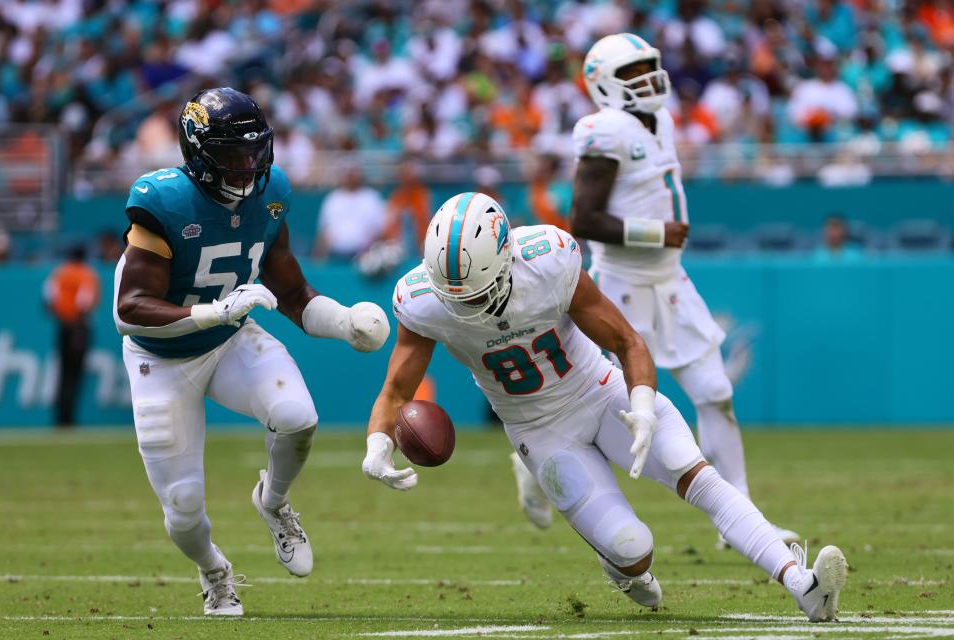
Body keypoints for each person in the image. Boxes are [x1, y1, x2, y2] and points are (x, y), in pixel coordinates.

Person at [361, 193, 847, 622]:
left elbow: (628, 341)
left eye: (479, 291)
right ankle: (621, 568)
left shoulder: (548, 260)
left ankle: (800, 583)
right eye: (455, 295)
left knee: (690, 467)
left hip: (598, 389)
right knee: (632, 550)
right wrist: (378, 445)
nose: (467, 306)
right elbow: (397, 392)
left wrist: (641, 404)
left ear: (507, 259)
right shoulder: (421, 300)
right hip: (538, 429)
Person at [113, 88, 390, 617]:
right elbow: (129, 310)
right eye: (231, 154)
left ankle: (275, 502)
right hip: (160, 357)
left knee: (297, 417)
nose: (247, 166)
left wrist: (345, 324)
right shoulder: (161, 201)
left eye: (254, 152)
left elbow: (293, 294)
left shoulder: (272, 193)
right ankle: (214, 572)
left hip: (229, 340)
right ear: (197, 154)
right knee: (184, 506)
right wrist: (212, 312)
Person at [533, 32, 797, 549]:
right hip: (622, 282)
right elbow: (582, 218)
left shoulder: (664, 118)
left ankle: (740, 515)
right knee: (580, 397)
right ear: (604, 85)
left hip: (671, 278)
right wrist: (654, 233)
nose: (648, 78)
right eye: (632, 72)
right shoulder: (604, 130)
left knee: (716, 392)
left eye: (649, 66)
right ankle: (536, 469)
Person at [44, 244, 100, 427]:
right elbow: (85, 302)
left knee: (62, 372)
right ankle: (69, 419)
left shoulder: (60, 273)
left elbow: (49, 301)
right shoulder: (86, 274)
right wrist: (78, 322)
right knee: (75, 374)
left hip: (63, 326)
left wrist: (62, 315)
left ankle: (60, 418)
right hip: (79, 328)